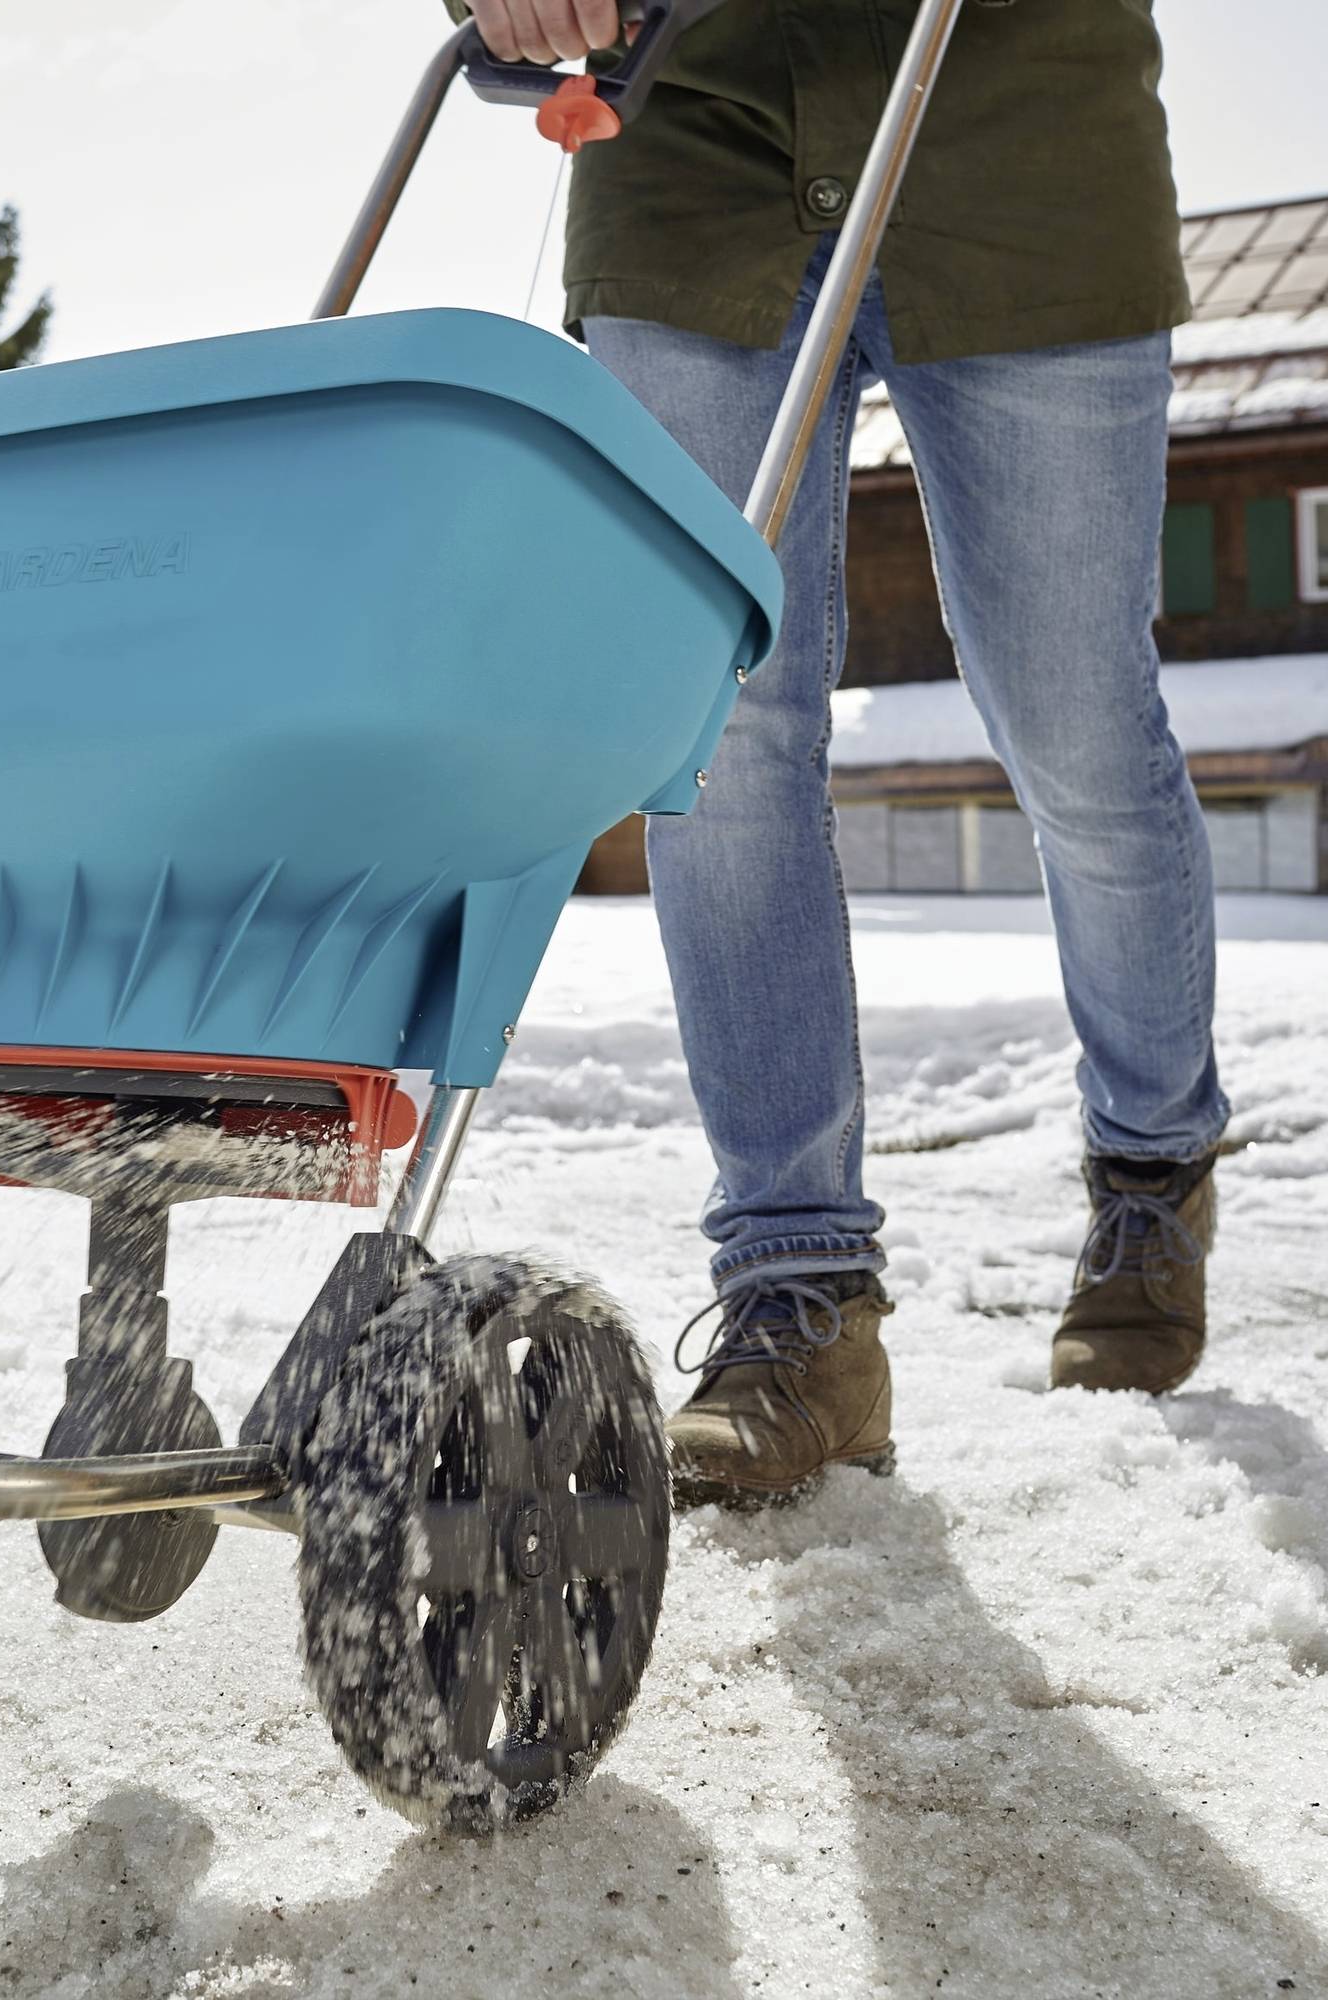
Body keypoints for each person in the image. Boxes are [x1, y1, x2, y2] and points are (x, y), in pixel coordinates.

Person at [463, 0, 1231, 1507]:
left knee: (1069, 717)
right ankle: (799, 1306)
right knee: (716, 721)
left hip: (1016, 137)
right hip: (691, 133)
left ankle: (1152, 1168)